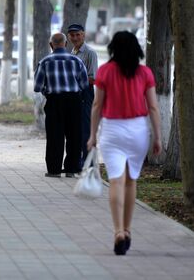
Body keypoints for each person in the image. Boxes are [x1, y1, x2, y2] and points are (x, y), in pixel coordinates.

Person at [86, 31, 161, 256]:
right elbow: (154, 108)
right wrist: (157, 136)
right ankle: (127, 230)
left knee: (116, 180)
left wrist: (92, 135)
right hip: (138, 130)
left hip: (112, 129)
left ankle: (117, 230)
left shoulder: (105, 72)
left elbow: (97, 106)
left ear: (113, 49)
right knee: (131, 181)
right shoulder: (144, 73)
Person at [34, 33, 89, 178]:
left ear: (51, 45)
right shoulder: (76, 61)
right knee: (74, 135)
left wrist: (48, 90)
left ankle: (54, 170)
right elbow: (84, 84)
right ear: (65, 44)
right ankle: (71, 169)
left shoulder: (44, 62)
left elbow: (37, 87)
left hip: (54, 101)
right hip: (74, 101)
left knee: (54, 136)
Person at [67, 23, 99, 167]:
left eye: (78, 34)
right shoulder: (72, 52)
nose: (75, 38)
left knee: (86, 129)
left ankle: (89, 164)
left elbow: (94, 78)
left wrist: (74, 78)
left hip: (86, 94)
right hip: (74, 95)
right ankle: (80, 162)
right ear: (68, 37)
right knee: (76, 130)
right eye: (72, 35)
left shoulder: (90, 53)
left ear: (84, 35)